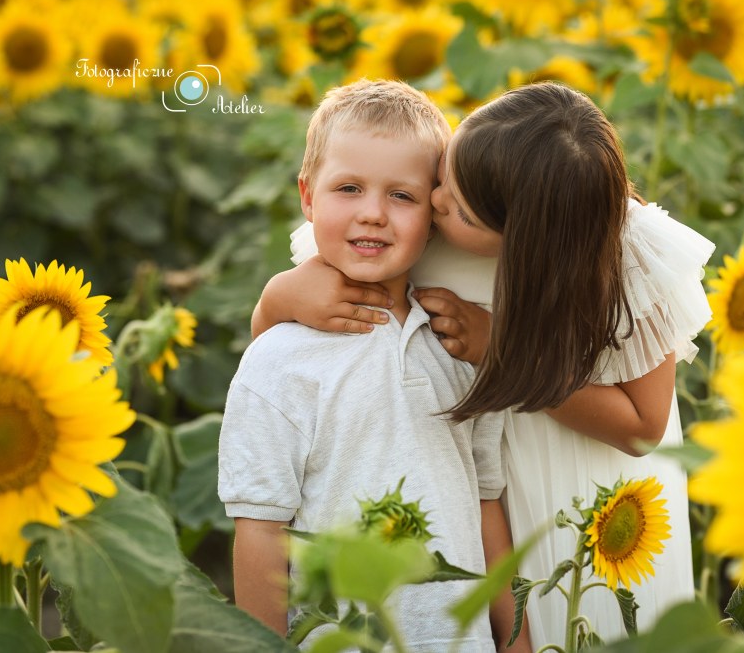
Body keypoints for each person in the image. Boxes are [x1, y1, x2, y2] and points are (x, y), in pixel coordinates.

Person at [252, 82, 715, 647]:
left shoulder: (631, 252)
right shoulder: (419, 209)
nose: (437, 201)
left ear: (520, 240)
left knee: (577, 619)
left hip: (584, 493)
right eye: (444, 176)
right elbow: (290, 353)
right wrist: (276, 298)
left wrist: (501, 353)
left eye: (459, 209)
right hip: (464, 479)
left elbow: (644, 428)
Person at [219, 79, 530, 652]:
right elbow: (261, 530)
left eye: (402, 196)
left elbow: (486, 508)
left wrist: (516, 641)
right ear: (308, 197)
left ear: (434, 215)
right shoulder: (278, 360)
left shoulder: (457, 345)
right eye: (349, 188)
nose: (373, 214)